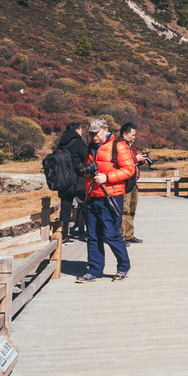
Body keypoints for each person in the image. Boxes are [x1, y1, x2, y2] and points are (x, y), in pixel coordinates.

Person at [76, 118, 134, 283]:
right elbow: (89, 168)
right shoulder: (91, 147)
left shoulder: (118, 146)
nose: (93, 136)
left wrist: (107, 177)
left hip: (111, 197)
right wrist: (86, 173)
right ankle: (95, 270)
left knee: (111, 234)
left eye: (96, 133)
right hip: (92, 196)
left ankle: (123, 267)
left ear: (105, 130)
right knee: (93, 236)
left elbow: (129, 170)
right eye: (91, 133)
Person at [55, 122, 86, 243]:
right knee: (86, 206)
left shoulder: (61, 143)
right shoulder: (78, 142)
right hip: (78, 180)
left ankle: (63, 236)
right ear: (78, 129)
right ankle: (93, 233)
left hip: (64, 180)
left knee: (65, 209)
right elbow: (86, 158)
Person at [119, 122, 148, 245]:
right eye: (132, 135)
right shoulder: (120, 146)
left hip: (133, 181)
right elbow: (123, 161)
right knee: (124, 210)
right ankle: (121, 236)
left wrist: (141, 161)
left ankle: (129, 234)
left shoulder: (131, 145)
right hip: (125, 182)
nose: (134, 137)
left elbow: (133, 160)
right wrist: (137, 159)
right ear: (125, 134)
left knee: (131, 209)